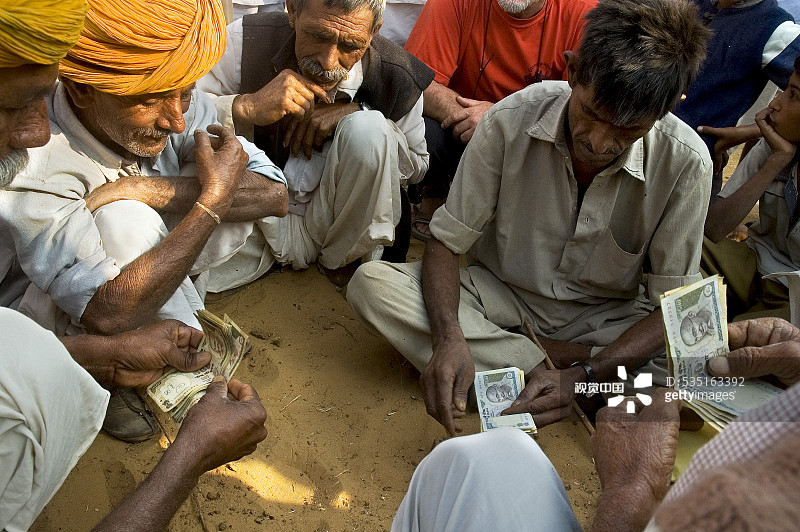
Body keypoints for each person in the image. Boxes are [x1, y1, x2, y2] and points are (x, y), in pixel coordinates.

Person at [348, 0, 712, 435]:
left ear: (670, 106)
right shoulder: (508, 120)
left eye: (628, 130)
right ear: (573, 71)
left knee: (699, 375)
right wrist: (448, 336)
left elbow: (674, 306)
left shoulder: (687, 162)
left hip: (606, 320)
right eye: (592, 114)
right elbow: (446, 241)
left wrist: (587, 371)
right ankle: (564, 378)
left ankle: (539, 370)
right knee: (373, 285)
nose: (598, 142)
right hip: (502, 298)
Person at [0, 4, 267, 530]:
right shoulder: (41, 161)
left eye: (183, 95)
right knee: (126, 221)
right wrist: (209, 201)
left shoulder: (178, 97)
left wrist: (151, 189)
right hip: (45, 309)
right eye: (13, 106)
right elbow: (108, 311)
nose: (177, 119)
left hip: (99, 317)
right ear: (81, 91)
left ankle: (126, 370)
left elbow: (276, 195)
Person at [391, 317, 800, 532]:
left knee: (468, 463)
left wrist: (631, 492)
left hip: (613, 325)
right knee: (486, 455)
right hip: (511, 300)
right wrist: (450, 334)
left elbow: (667, 307)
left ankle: (549, 355)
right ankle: (547, 354)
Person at [198, 0, 434, 276]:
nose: (328, 61)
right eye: (318, 36)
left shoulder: (399, 75)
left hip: (340, 233)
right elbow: (182, 114)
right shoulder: (246, 40)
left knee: (370, 129)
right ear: (292, 10)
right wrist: (245, 107)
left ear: (374, 31)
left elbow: (418, 166)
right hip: (256, 221)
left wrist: (361, 114)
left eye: (350, 45)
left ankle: (339, 268)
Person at [403, 0, 595, 240]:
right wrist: (478, 120)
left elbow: (578, 109)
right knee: (423, 129)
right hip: (464, 129)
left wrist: (497, 119)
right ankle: (435, 193)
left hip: (534, 142)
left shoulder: (584, 13)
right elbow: (415, 80)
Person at [702, 56, 800, 322]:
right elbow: (715, 228)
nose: (775, 104)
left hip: (794, 294)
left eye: (794, 96)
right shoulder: (777, 142)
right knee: (677, 253)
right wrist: (776, 160)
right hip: (753, 261)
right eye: (785, 90)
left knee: (744, 339)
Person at [673, 0, 800, 200]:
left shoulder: (774, 28)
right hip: (639, 147)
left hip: (689, 169)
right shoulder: (696, 4)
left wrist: (753, 130)